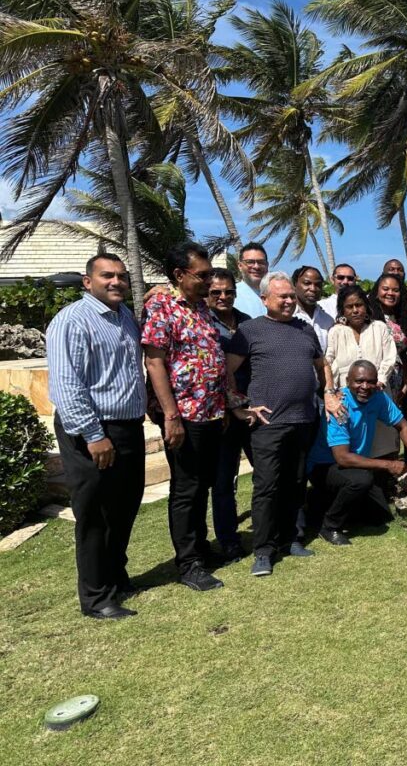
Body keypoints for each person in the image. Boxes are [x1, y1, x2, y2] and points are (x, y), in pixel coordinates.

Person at [47, 252, 147, 619]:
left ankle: (115, 575)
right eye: (107, 276)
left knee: (124, 506)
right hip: (91, 430)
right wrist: (93, 434)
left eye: (121, 276)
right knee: (95, 514)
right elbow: (66, 384)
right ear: (88, 282)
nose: (116, 281)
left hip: (127, 426)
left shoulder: (125, 319)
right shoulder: (72, 321)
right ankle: (96, 597)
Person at [226, 272, 338, 577]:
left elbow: (322, 364)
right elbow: (227, 370)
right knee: (266, 487)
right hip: (267, 423)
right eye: (282, 296)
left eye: (291, 296)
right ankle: (263, 550)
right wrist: (238, 405)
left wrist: (328, 392)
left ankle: (292, 539)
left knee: (296, 482)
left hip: (303, 419)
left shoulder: (305, 330)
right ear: (265, 299)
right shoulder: (250, 330)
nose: (289, 301)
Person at [142, 241, 226, 592]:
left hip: (210, 413)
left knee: (203, 484)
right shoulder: (163, 306)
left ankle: (201, 548)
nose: (209, 282)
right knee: (186, 489)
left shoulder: (202, 309)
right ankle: (188, 562)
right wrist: (171, 415)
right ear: (179, 275)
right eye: (202, 275)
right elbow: (155, 360)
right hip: (185, 416)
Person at [318, 361, 407, 546]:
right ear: (347, 380)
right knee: (360, 481)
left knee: (380, 516)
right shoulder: (340, 405)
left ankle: (323, 506)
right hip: (326, 465)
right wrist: (389, 465)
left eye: (370, 381)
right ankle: (329, 526)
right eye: (359, 381)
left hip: (355, 465)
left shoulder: (379, 397)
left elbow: (403, 426)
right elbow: (342, 458)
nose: (365, 387)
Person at [206, 268, 251, 562]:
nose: (223, 297)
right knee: (223, 481)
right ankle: (228, 539)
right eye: (216, 292)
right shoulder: (202, 324)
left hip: (252, 411)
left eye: (229, 292)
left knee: (267, 472)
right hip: (221, 415)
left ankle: (270, 527)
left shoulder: (247, 323)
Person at [325, 285, 399, 458]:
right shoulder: (336, 332)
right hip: (348, 397)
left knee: (383, 438)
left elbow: (389, 357)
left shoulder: (379, 328)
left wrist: (380, 380)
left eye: (359, 305)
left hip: (378, 391)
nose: (355, 310)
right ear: (343, 310)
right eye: (349, 307)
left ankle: (388, 474)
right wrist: (333, 391)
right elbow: (328, 363)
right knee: (356, 441)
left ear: (366, 306)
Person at [368, 272, 407, 429]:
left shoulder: (401, 317)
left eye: (395, 290)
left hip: (397, 379)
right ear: (377, 291)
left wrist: (405, 381)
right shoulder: (368, 316)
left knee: (392, 427)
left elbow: (403, 352)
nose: (390, 293)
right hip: (378, 378)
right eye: (385, 289)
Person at [292, 265, 335, 353]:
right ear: (295, 284)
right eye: (307, 283)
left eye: (318, 285)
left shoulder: (328, 320)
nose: (313, 289)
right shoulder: (287, 317)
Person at [234, 242, 269, 317]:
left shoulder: (277, 293)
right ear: (240, 266)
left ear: (267, 265)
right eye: (250, 262)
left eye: (261, 262)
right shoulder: (232, 295)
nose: (256, 267)